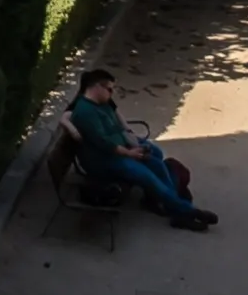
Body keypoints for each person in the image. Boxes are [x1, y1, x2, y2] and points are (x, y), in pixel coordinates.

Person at [69, 68, 214, 229]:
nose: (112, 93)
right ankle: (187, 211)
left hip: (119, 151)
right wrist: (130, 153)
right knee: (147, 176)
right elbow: (104, 144)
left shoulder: (102, 103)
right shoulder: (85, 113)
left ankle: (174, 208)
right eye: (109, 89)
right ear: (97, 87)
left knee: (157, 164)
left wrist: (135, 145)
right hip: (103, 161)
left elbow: (117, 129)